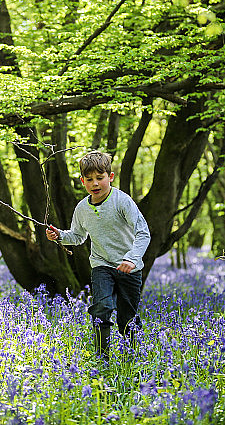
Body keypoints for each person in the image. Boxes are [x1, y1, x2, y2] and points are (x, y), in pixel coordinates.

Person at [46, 150, 151, 359]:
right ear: (82, 181)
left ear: (110, 177)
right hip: (101, 265)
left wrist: (132, 258)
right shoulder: (82, 208)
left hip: (129, 267)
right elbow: (77, 236)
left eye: (100, 178)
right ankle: (102, 357)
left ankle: (132, 358)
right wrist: (59, 236)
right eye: (89, 179)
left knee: (127, 316)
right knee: (101, 306)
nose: (95, 184)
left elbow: (143, 233)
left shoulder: (122, 201)